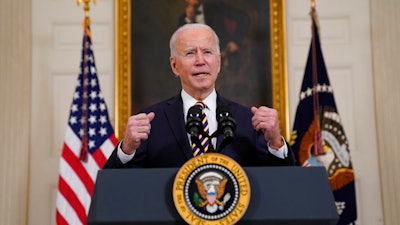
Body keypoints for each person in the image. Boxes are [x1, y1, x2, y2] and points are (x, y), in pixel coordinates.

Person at [103, 23, 294, 169]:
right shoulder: (151, 121)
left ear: (218, 63)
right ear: (174, 65)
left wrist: (276, 143)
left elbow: (285, 182)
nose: (200, 61)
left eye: (207, 52)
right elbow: (115, 188)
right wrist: (126, 149)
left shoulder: (248, 121)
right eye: (190, 53)